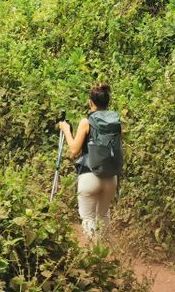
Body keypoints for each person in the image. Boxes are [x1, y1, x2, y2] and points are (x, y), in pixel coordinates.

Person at [57, 84, 124, 240]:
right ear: (108, 102)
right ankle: (105, 250)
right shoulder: (115, 122)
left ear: (90, 102)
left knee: (88, 218)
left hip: (89, 176)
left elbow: (74, 150)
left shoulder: (86, 122)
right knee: (103, 215)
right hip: (111, 178)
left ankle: (93, 251)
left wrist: (66, 129)